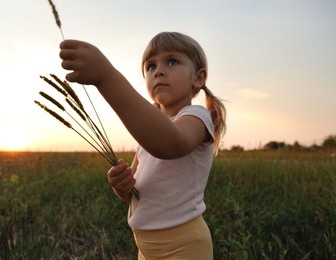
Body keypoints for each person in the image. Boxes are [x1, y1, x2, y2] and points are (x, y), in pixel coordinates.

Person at [59, 31, 226, 259]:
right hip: (146, 246)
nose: (158, 71)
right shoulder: (148, 135)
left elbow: (170, 143)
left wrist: (107, 78)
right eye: (150, 67)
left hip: (184, 244)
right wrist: (122, 186)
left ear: (198, 78)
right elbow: (136, 194)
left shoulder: (196, 117)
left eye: (172, 61)